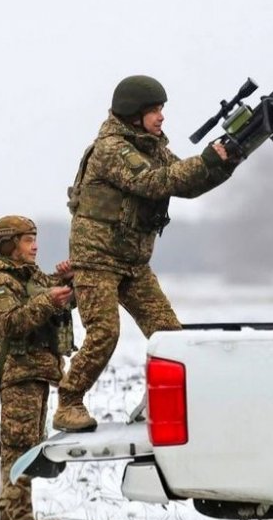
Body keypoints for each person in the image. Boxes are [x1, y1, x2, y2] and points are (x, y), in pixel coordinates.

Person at [54, 75, 238, 432]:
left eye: (161, 109)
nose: (161, 117)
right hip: (97, 259)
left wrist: (227, 160)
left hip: (133, 262)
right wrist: (207, 158)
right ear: (133, 114)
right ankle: (69, 403)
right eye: (154, 110)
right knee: (105, 332)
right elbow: (156, 182)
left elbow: (186, 184)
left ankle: (165, 400)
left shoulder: (151, 147)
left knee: (169, 335)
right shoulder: (111, 149)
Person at [0, 215, 74, 520]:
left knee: (24, 447)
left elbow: (53, 295)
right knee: (18, 449)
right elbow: (11, 322)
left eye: (35, 239)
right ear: (8, 244)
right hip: (18, 374)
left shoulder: (27, 277)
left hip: (34, 372)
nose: (35, 246)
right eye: (28, 240)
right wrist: (49, 300)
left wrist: (67, 282)